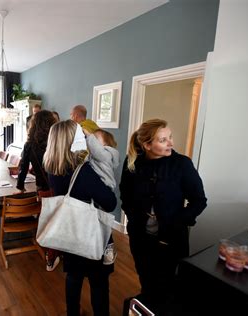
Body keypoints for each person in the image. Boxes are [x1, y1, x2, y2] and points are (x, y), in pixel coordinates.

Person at [119, 118, 207, 314]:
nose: (171, 143)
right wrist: (134, 218)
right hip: (140, 238)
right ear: (147, 145)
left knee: (168, 287)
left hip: (172, 241)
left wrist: (176, 222)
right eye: (163, 140)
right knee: (146, 280)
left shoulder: (182, 164)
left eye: (170, 137)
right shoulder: (132, 162)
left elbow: (199, 201)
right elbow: (125, 194)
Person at [43, 120, 116, 316]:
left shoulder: (53, 168)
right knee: (99, 282)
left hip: (69, 231)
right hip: (91, 233)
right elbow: (110, 203)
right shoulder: (82, 171)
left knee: (74, 277)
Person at [14, 110, 59, 271]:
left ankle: (50, 254)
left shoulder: (29, 145)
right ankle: (58, 252)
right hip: (61, 187)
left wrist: (20, 186)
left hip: (44, 188)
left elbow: (23, 167)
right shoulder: (58, 142)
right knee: (58, 220)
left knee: (47, 219)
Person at [83, 128, 120, 265]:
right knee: (98, 220)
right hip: (97, 191)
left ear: (105, 145)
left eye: (96, 140)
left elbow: (96, 150)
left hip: (104, 188)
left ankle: (109, 246)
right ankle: (100, 245)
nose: (92, 143)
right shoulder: (95, 157)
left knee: (103, 221)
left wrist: (88, 134)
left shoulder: (106, 155)